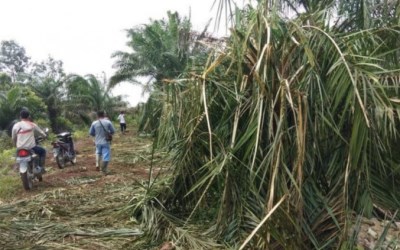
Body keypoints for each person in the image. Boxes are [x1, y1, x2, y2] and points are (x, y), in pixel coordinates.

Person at [89, 110, 115, 174]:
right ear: (104, 115)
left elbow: (91, 133)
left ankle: (97, 164)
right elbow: (113, 131)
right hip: (105, 141)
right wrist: (108, 133)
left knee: (98, 152)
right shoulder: (108, 122)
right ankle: (104, 169)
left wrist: (97, 134)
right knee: (106, 155)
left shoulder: (94, 123)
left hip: (97, 141)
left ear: (97, 115)